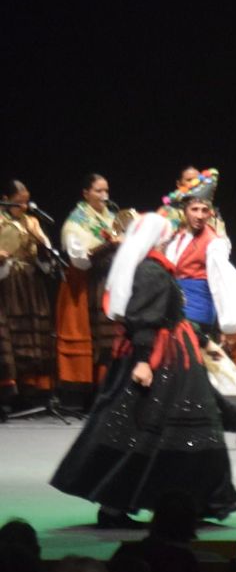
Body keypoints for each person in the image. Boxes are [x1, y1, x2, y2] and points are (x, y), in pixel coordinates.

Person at [50, 212, 236, 527]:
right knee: (164, 432)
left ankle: (194, 500)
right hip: (163, 361)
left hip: (171, 355)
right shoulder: (151, 271)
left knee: (162, 433)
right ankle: (201, 498)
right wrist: (144, 361)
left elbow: (169, 315)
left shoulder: (149, 268)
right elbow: (146, 319)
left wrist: (202, 340)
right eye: (167, 235)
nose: (170, 239)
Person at [160, 170, 236, 346]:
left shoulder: (213, 242)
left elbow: (221, 279)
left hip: (196, 310)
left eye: (204, 210)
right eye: (194, 210)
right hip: (174, 307)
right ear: (185, 211)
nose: (200, 215)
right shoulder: (178, 236)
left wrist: (229, 322)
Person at [56, 172, 121, 402]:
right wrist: (107, 246)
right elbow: (79, 259)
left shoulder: (112, 218)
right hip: (91, 284)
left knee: (114, 336)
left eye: (106, 191)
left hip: (111, 281)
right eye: (98, 191)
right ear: (86, 193)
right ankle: (94, 394)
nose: (104, 195)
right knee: (98, 338)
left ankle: (113, 391)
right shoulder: (76, 222)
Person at [0, 181, 58, 405]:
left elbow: (45, 251)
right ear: (6, 199)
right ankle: (9, 392)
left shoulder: (32, 221)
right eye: (19, 202)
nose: (24, 206)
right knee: (12, 332)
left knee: (33, 333)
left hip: (30, 283)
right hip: (7, 283)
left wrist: (41, 242)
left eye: (26, 202)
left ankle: (32, 390)